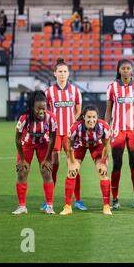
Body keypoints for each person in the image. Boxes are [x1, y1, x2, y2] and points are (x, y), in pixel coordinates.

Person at [105, 59, 134, 209]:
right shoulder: (112, 87)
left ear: (132, 70)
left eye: (128, 68)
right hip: (117, 130)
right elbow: (108, 110)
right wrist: (106, 127)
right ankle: (115, 200)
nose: (125, 70)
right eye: (123, 68)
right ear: (119, 70)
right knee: (117, 164)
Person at [60, 105, 112, 216]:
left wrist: (103, 161)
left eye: (94, 117)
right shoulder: (75, 127)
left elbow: (107, 145)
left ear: (97, 117)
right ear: (84, 117)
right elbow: (69, 146)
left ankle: (106, 206)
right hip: (80, 145)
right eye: (89, 117)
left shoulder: (104, 127)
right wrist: (72, 161)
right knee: (72, 171)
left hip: (97, 146)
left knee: (103, 171)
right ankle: (67, 206)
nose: (91, 120)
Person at [45, 59, 83, 210]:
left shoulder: (75, 91)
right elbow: (46, 112)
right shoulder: (48, 92)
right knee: (54, 166)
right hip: (54, 135)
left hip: (70, 134)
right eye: (59, 71)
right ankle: (49, 200)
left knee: (73, 166)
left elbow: (79, 110)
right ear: (55, 73)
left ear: (68, 73)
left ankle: (78, 200)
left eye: (64, 71)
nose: (62, 74)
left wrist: (73, 124)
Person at [12, 90, 57, 215]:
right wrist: (22, 159)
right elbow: (17, 138)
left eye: (44, 108)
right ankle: (22, 206)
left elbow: (53, 137)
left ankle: (49, 206)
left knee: (46, 171)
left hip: (44, 144)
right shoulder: (24, 118)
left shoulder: (51, 118)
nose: (42, 111)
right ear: (32, 107)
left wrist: (47, 158)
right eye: (38, 109)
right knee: (22, 172)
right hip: (27, 144)